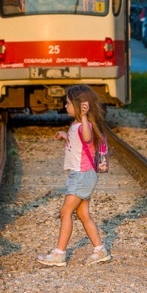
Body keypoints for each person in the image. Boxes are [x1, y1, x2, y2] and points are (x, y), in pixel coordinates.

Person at [38, 84, 113, 266]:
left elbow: (86, 137)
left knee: (65, 212)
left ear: (80, 106)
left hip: (81, 176)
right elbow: (80, 142)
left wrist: (85, 116)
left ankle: (59, 254)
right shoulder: (76, 125)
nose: (65, 106)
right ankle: (100, 250)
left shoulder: (85, 125)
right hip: (80, 176)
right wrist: (65, 135)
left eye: (68, 103)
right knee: (83, 214)